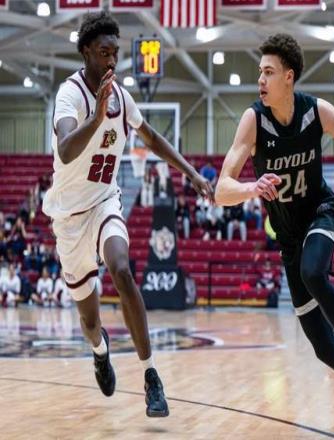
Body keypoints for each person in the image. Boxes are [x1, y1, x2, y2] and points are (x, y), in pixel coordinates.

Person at [215, 33, 334, 427]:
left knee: (313, 272)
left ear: (289, 77)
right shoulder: (253, 121)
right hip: (288, 238)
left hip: (322, 213)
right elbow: (221, 189)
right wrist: (251, 188)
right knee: (323, 349)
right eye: (259, 72)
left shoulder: (316, 112)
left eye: (268, 72)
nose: (260, 80)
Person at [42, 11, 213, 418]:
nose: (111, 61)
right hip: (69, 217)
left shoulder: (121, 96)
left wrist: (190, 173)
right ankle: (100, 351)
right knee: (89, 321)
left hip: (105, 200)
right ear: (87, 51)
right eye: (104, 53)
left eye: (115, 53)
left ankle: (151, 375)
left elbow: (150, 137)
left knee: (121, 268)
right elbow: (66, 148)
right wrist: (96, 118)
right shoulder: (69, 95)